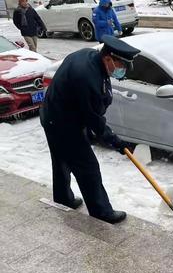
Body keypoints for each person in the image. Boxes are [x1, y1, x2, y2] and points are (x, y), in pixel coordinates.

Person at [40, 35, 140, 224]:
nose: (122, 71)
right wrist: (117, 142)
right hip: (64, 124)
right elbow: (95, 121)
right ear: (108, 58)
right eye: (121, 66)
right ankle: (101, 211)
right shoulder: (86, 77)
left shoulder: (90, 57)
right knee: (88, 168)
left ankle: (63, 198)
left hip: (54, 115)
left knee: (61, 159)